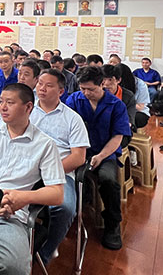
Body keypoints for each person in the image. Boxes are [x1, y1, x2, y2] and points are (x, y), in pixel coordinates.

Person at [0, 83, 65, 274]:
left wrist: (21, 198)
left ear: (28, 107)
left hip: (7, 214)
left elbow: (57, 194)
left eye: (10, 103)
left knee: (14, 268)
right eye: (1, 102)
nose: (3, 107)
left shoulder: (44, 144)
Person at [66, 66, 131, 250]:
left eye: (91, 89)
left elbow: (117, 137)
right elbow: (65, 128)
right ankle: (70, 213)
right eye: (83, 89)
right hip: (78, 151)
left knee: (108, 179)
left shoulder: (116, 105)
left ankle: (112, 224)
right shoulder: (74, 100)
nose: (86, 93)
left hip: (105, 152)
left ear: (102, 84)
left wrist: (101, 156)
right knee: (65, 175)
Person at [31, 69, 89, 264]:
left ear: (61, 91)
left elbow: (78, 158)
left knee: (65, 208)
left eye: (49, 86)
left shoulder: (72, 119)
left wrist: (49, 172)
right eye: (40, 84)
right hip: (25, 169)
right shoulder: (26, 110)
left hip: (60, 173)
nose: (42, 88)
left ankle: (45, 253)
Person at [118, 63, 150, 129]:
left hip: (137, 111)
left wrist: (126, 104)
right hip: (119, 110)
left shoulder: (140, 84)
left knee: (132, 118)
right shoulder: (112, 84)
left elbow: (140, 107)